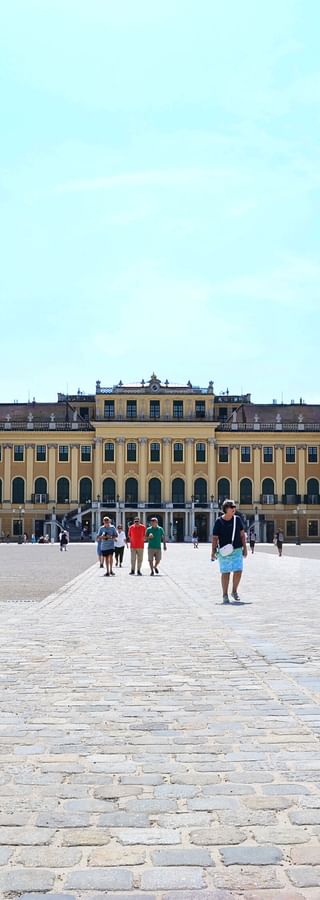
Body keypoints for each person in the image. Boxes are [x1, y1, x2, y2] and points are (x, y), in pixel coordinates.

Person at [211, 499, 247, 604]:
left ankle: (234, 591)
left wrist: (245, 548)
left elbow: (242, 535)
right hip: (224, 551)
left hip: (237, 549)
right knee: (225, 572)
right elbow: (214, 538)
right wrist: (213, 552)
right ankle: (225, 594)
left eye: (234, 507)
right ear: (226, 509)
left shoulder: (237, 519)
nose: (234, 509)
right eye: (232, 507)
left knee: (238, 570)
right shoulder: (219, 521)